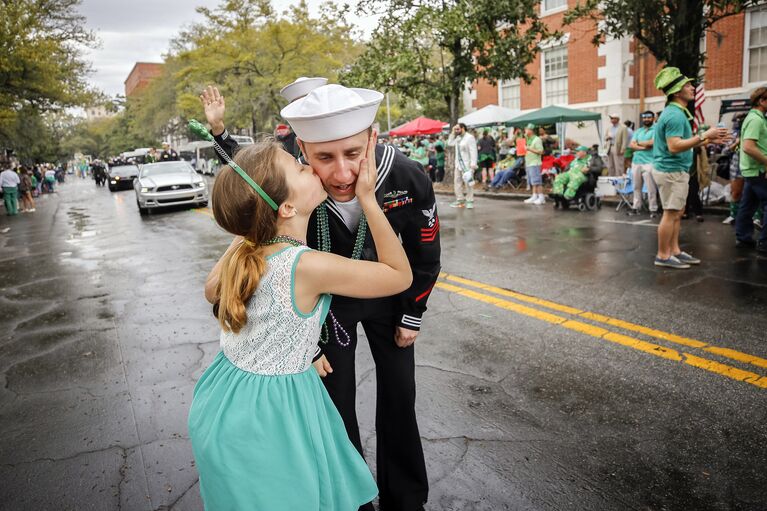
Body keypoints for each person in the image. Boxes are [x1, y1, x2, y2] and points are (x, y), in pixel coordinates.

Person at [201, 82, 440, 511]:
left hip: (388, 299)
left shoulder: (407, 175)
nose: (343, 174)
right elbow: (250, 180)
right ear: (301, 150)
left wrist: (413, 314)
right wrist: (302, 345)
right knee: (333, 407)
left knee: (401, 397)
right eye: (323, 159)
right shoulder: (294, 188)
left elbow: (424, 252)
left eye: (353, 154)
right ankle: (348, 499)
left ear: (372, 139)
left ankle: (406, 500)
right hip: (326, 302)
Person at [651, 67, 729, 269]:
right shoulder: (675, 115)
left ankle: (674, 251)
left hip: (675, 170)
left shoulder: (676, 112)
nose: (692, 87)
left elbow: (683, 142)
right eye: (687, 85)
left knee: (677, 212)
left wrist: (708, 140)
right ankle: (663, 255)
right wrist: (704, 136)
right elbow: (674, 146)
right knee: (670, 213)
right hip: (671, 171)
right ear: (677, 92)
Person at [734, 86, 767, 253]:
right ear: (761, 101)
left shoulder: (756, 117)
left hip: (752, 170)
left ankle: (743, 237)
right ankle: (764, 243)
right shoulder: (756, 119)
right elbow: (748, 147)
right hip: (758, 169)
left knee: (748, 205)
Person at [629, 111, 659, 218]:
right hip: (636, 161)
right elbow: (631, 145)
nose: (646, 119)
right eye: (644, 117)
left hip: (649, 161)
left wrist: (639, 143)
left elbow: (653, 143)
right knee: (636, 186)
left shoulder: (656, 129)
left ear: (653, 118)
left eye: (649, 117)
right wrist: (643, 147)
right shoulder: (638, 131)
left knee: (651, 187)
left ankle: (653, 209)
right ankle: (636, 207)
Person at [448, 122, 478, 209]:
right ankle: (460, 199)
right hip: (458, 165)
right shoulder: (457, 138)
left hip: (467, 165)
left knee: (468, 183)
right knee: (457, 182)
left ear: (463, 128)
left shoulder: (469, 137)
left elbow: (473, 152)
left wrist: (473, 165)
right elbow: (450, 143)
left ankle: (469, 200)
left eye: (457, 129)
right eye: (455, 129)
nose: (456, 131)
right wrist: (453, 133)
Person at [523, 123, 545, 204]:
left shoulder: (537, 139)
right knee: (533, 181)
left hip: (534, 163)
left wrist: (529, 149)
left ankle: (541, 197)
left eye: (526, 129)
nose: (525, 131)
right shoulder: (529, 139)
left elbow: (541, 151)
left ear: (531, 130)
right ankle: (534, 196)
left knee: (537, 181)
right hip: (529, 162)